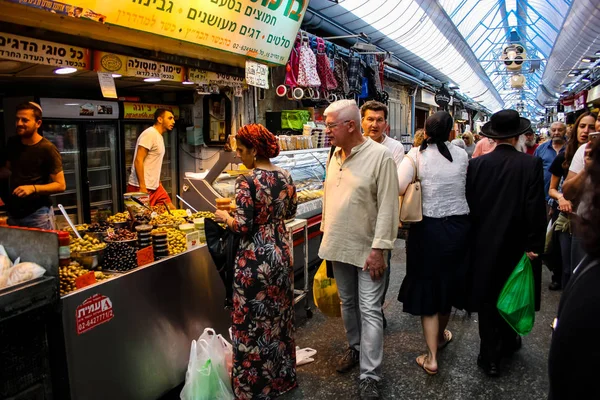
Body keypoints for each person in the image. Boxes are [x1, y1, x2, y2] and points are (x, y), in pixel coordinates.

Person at [319, 99, 399, 400]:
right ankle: (354, 350)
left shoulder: (380, 157)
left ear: (349, 126)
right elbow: (330, 198)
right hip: (339, 245)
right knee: (347, 304)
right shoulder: (334, 154)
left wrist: (379, 249)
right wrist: (326, 238)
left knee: (370, 310)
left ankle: (370, 375)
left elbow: (389, 207)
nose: (326, 131)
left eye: (330, 126)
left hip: (369, 250)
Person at [213, 124, 298, 399]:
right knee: (279, 319)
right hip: (281, 254)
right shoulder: (285, 175)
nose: (238, 155)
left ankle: (253, 388)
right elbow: (291, 210)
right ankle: (281, 381)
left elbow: (242, 225)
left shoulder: (246, 180)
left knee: (250, 323)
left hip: (254, 260)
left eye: (240, 150)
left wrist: (224, 218)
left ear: (254, 149)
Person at [466, 109, 546, 377]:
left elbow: (471, 204)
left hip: (484, 244)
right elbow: (535, 208)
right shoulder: (530, 164)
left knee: (488, 298)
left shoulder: (476, 165)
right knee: (513, 293)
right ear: (517, 137)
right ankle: (509, 342)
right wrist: (535, 245)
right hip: (517, 244)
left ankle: (489, 356)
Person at [397, 111, 470, 375]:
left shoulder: (415, 155)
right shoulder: (461, 154)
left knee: (427, 287)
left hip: (426, 230)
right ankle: (441, 337)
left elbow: (397, 185)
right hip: (458, 229)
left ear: (425, 131)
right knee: (447, 286)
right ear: (451, 132)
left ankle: (431, 357)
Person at [548, 138, 600, 400]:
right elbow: (559, 189)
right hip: (572, 220)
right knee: (570, 271)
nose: (589, 131)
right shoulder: (582, 154)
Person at [360, 100, 404, 329]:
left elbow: (391, 185)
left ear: (386, 124)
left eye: (379, 120)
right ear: (362, 121)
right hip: (357, 218)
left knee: (380, 266)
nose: (374, 124)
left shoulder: (394, 148)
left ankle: (376, 309)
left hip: (381, 217)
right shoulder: (353, 145)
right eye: (370, 119)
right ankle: (364, 312)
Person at [0, 102, 65, 229]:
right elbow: (8, 170)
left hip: (38, 214)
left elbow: (61, 185)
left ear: (38, 123)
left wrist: (33, 188)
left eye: (24, 120)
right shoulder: (13, 143)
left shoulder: (47, 148)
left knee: (41, 249)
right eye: (17, 119)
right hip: (13, 213)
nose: (19, 123)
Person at [547, 113, 594, 289]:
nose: (586, 131)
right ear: (575, 130)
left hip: (588, 216)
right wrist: (561, 198)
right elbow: (553, 188)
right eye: (582, 126)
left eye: (591, 127)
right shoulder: (565, 155)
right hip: (567, 216)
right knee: (569, 265)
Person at [127, 108, 176, 208]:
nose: (173, 121)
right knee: (141, 219)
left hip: (155, 186)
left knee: (171, 209)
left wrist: (157, 182)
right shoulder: (149, 134)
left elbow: (152, 163)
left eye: (173, 119)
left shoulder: (159, 136)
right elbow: (138, 160)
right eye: (170, 118)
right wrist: (142, 186)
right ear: (160, 119)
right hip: (140, 186)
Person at [534, 121, 567, 204]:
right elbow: (534, 172)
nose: (556, 133)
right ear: (549, 131)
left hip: (566, 197)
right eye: (553, 130)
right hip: (544, 196)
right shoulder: (541, 149)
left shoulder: (571, 148)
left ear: (565, 131)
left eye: (560, 130)